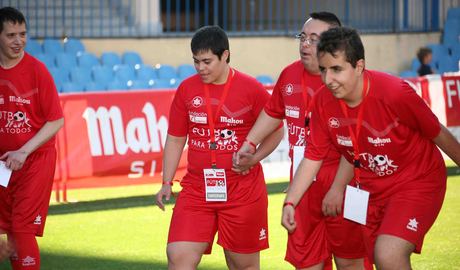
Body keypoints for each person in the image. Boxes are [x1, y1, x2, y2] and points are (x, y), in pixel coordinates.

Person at [282, 26, 460, 269]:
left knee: (388, 254)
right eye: (323, 70)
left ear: (359, 66)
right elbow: (314, 156)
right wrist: (290, 202)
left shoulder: (395, 93)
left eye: (336, 69)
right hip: (371, 190)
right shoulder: (323, 101)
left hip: (416, 181)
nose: (328, 80)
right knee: (378, 258)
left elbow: (438, 133)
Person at [235, 12, 369, 270]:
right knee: (306, 263)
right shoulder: (289, 75)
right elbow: (273, 113)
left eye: (314, 39)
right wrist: (250, 144)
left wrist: (338, 187)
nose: (305, 44)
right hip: (303, 181)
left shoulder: (346, 80)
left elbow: (356, 144)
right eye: (302, 37)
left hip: (344, 179)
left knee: (350, 262)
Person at [155, 25, 284, 270]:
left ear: (225, 55)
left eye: (206, 61)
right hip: (197, 187)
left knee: (241, 264)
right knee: (178, 255)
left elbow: (277, 130)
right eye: (196, 62)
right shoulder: (187, 89)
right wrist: (166, 181)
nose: (200, 68)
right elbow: (175, 138)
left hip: (242, 189)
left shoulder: (251, 88)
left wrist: (254, 158)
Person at [0, 6, 64, 270]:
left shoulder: (37, 71)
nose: (19, 41)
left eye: (23, 34)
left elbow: (56, 119)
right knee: (10, 229)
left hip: (35, 159)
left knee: (21, 227)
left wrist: (24, 151)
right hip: (4, 165)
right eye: (11, 35)